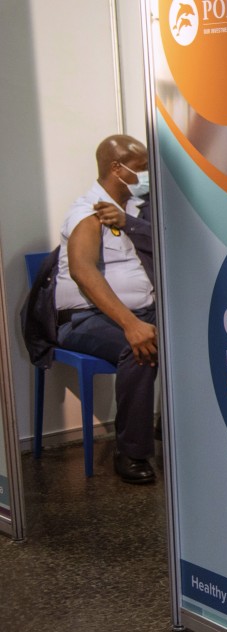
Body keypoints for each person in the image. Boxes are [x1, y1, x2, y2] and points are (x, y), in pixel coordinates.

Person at [26, 134, 159, 484]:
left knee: (192, 332)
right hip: (83, 319)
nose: (147, 175)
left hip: (139, 311)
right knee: (140, 349)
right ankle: (131, 451)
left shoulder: (132, 210)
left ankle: (158, 424)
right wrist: (130, 323)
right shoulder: (87, 212)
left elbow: (162, 245)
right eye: (142, 168)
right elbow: (84, 273)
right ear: (117, 169)